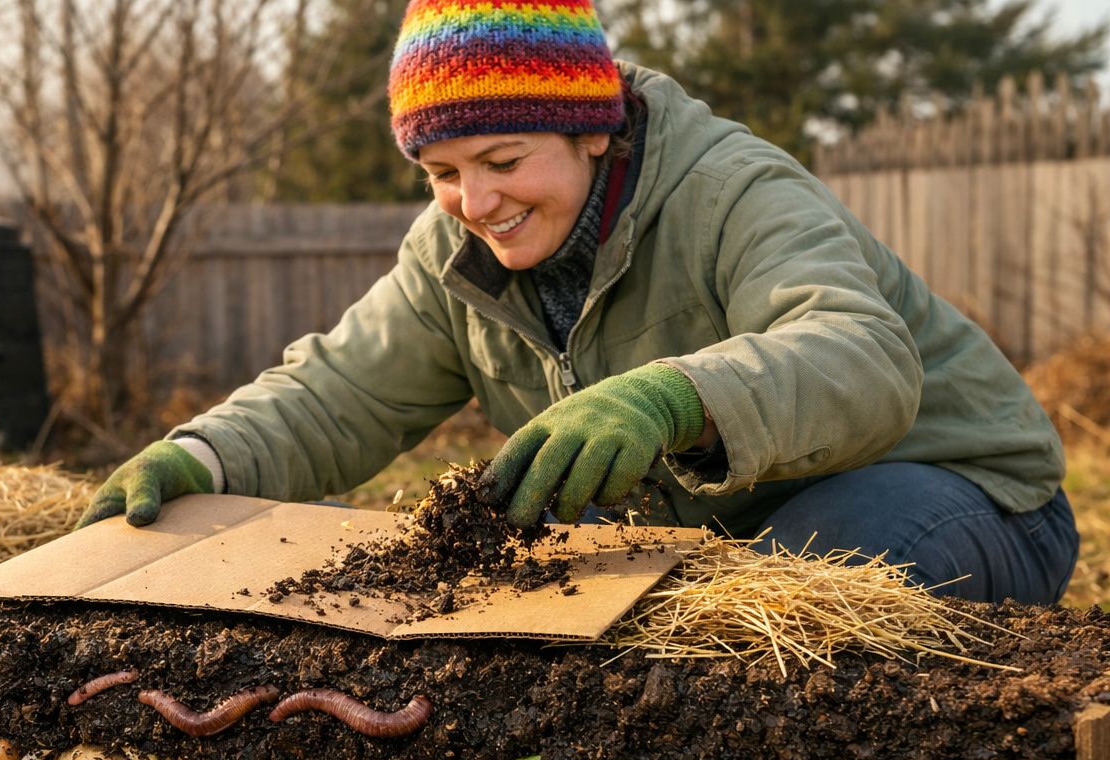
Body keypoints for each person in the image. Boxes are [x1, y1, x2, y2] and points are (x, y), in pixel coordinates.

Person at [83, 0, 1079, 604]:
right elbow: (337, 391)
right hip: (742, 537)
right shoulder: (454, 256)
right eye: (439, 170)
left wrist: (671, 399)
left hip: (965, 488)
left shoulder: (728, 186)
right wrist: (199, 455)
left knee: (788, 598)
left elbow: (862, 356)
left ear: (591, 131)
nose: (475, 203)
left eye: (503, 160)